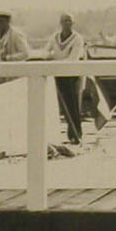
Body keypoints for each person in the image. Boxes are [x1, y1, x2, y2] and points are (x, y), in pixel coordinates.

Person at [44, 10, 86, 144]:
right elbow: (46, 52)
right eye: (64, 21)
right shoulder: (54, 37)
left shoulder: (77, 38)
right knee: (58, 106)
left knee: (73, 106)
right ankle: (60, 136)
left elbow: (72, 59)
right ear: (60, 23)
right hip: (57, 75)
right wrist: (48, 57)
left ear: (73, 23)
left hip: (72, 76)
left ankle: (76, 136)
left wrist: (54, 62)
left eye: (69, 21)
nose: (67, 23)